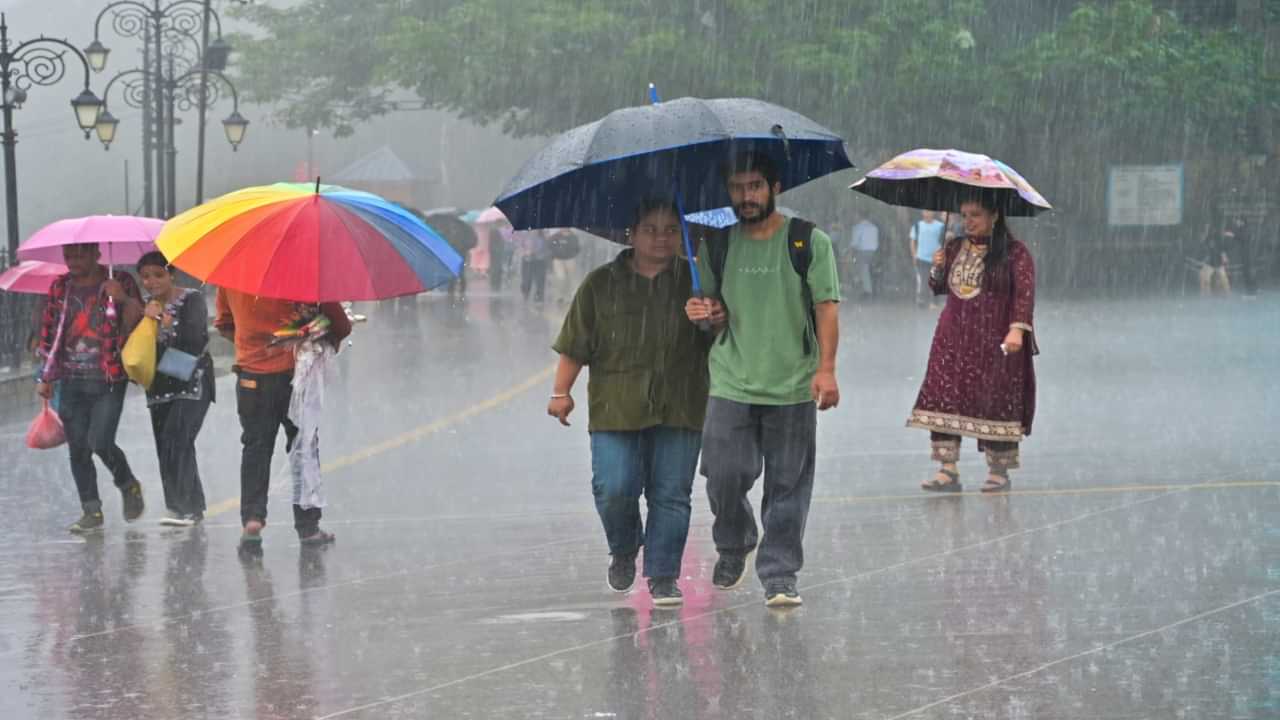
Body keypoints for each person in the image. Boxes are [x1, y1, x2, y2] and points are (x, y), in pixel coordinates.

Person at [685, 152, 841, 607]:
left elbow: (826, 307)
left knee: (788, 485)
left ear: (775, 187)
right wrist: (703, 313)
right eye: (737, 188)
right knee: (722, 474)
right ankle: (734, 542)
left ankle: (779, 573)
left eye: (755, 186)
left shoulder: (807, 241)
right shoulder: (716, 244)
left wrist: (826, 369)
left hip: (792, 383)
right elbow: (712, 316)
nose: (746, 196)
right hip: (732, 379)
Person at [548, 198, 711, 608]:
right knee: (614, 488)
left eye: (671, 230)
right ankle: (623, 547)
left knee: (671, 493)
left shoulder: (698, 282)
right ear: (631, 234)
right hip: (616, 407)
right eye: (651, 230)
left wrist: (711, 318)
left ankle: (663, 575)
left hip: (681, 403)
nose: (661, 238)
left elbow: (723, 342)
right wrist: (561, 392)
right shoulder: (600, 284)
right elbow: (575, 344)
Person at [909, 194, 1037, 494]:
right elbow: (939, 288)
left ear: (995, 216)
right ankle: (947, 469)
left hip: (995, 340)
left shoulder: (1015, 253)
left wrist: (1017, 330)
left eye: (975, 215)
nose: (968, 221)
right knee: (944, 396)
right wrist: (937, 267)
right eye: (964, 215)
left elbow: (1024, 295)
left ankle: (998, 471)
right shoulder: (953, 247)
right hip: (953, 337)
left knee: (996, 400)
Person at [215, 289, 351, 550]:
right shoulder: (305, 273)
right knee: (304, 448)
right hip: (297, 376)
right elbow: (340, 325)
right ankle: (308, 526)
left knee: (255, 448)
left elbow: (223, 324)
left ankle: (252, 519)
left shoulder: (233, 278)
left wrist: (254, 345)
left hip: (251, 378)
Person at [35, 243, 145, 534]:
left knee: (100, 441)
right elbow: (49, 331)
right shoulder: (61, 287)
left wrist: (120, 298)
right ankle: (91, 510)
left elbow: (140, 317)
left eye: (80, 255)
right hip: (71, 379)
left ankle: (127, 484)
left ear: (97, 255)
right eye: (68, 256)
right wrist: (44, 376)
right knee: (78, 448)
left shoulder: (119, 281)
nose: (73, 261)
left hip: (109, 377)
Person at [136, 252, 214, 526]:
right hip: (158, 386)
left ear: (172, 275)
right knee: (164, 444)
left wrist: (166, 326)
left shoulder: (191, 299)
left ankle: (190, 507)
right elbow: (140, 347)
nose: (152, 281)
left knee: (178, 437)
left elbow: (195, 339)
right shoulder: (145, 306)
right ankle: (177, 506)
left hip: (192, 382)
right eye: (145, 276)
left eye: (158, 275)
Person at [909, 210, 946, 308]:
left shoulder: (940, 226)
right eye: (926, 211)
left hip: (936, 258)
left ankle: (934, 302)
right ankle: (922, 301)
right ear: (922, 213)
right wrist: (914, 255)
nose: (928, 213)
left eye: (930, 211)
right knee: (924, 280)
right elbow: (913, 241)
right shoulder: (917, 226)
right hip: (921, 258)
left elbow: (945, 241)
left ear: (933, 213)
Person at [547, 228, 581, 304]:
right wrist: (554, 255)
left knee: (570, 278)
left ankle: (569, 296)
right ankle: (560, 296)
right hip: (558, 260)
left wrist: (572, 254)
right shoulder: (555, 236)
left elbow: (577, 248)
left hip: (570, 259)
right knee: (561, 278)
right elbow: (550, 246)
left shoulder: (573, 236)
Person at [850, 214, 880, 298]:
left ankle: (867, 290)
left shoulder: (858, 227)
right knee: (869, 269)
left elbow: (854, 243)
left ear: (859, 217)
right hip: (874, 253)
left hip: (863, 252)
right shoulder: (874, 227)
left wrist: (851, 252)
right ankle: (869, 287)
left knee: (862, 269)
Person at [517, 229, 550, 302]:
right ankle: (526, 293)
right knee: (527, 279)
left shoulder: (543, 237)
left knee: (540, 280)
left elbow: (546, 249)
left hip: (540, 261)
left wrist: (535, 252)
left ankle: (539, 297)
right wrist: (525, 252)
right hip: (527, 260)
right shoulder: (525, 236)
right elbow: (521, 246)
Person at [487, 222, 509, 292]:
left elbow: (490, 242)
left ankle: (494, 283)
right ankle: (496, 284)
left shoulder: (492, 231)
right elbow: (501, 242)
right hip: (497, 252)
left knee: (494, 268)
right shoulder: (496, 231)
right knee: (497, 268)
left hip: (493, 251)